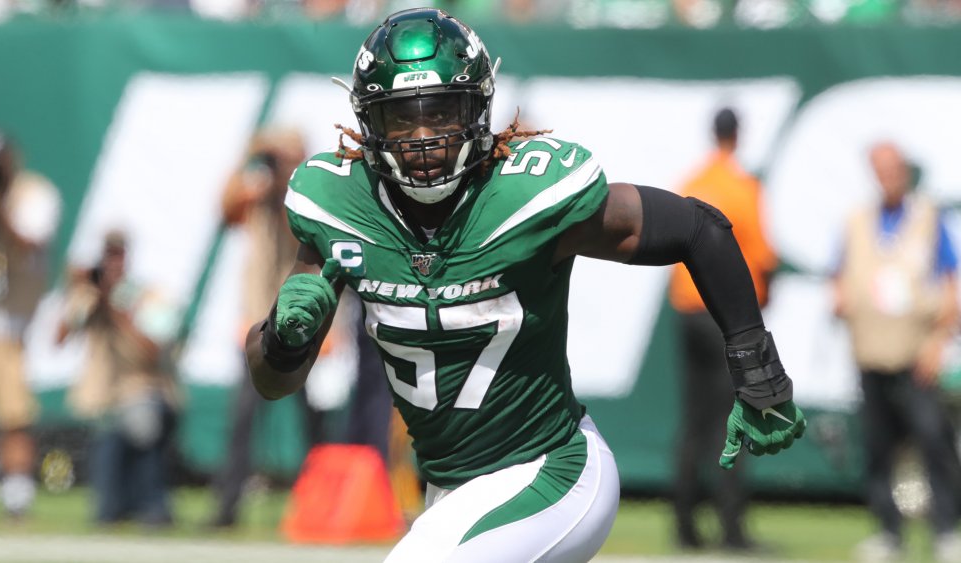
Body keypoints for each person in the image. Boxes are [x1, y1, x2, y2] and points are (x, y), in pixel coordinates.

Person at [245, 8, 807, 561]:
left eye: (441, 114)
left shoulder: (525, 195)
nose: (423, 140)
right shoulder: (338, 207)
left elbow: (697, 228)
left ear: (477, 110)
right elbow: (273, 381)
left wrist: (757, 368)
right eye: (401, 119)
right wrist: (283, 338)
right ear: (369, 125)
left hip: (552, 468)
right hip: (452, 492)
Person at [209, 128, 395, 528]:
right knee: (243, 416)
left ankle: (325, 499)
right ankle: (227, 505)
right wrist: (251, 157)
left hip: (307, 318)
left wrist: (280, 181)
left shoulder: (305, 198)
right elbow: (225, 211)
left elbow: (296, 224)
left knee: (314, 419)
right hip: (261, 320)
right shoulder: (256, 192)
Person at [835, 141, 961, 562]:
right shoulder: (858, 220)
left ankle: (946, 530)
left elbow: (949, 283)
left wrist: (939, 343)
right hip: (871, 352)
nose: (888, 176)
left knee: (932, 441)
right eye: (880, 169)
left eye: (894, 169)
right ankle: (889, 532)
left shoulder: (927, 217)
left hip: (915, 353)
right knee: (877, 446)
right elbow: (840, 276)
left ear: (905, 171)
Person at [668, 107, 776, 552]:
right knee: (738, 418)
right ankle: (732, 529)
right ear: (739, 135)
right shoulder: (741, 185)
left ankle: (684, 526)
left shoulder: (693, 181)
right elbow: (763, 257)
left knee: (694, 423)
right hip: (725, 319)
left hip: (688, 312)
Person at [0, 128, 61, 519]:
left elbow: (30, 242)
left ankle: (16, 491)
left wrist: (0, 202)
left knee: (13, 412)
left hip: (10, 320)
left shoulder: (33, 194)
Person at [56, 230, 179, 527]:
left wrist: (120, 310)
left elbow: (155, 349)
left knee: (142, 426)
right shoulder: (90, 297)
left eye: (118, 255)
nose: (112, 263)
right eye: (108, 256)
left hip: (143, 388)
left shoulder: (147, 294)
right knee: (106, 510)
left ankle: (153, 506)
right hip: (104, 396)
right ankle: (115, 507)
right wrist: (77, 291)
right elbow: (59, 338)